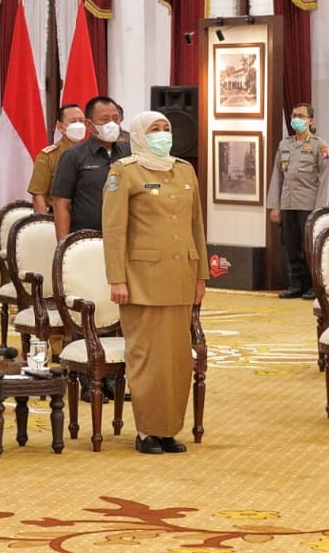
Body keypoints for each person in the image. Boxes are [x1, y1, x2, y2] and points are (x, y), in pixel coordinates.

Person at [102, 111, 208, 455]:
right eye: (154, 130)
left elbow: (196, 227)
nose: (162, 135)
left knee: (177, 360)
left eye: (166, 129)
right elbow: (114, 231)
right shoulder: (125, 171)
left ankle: (168, 429)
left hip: (181, 277)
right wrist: (117, 278)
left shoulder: (184, 170)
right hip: (142, 280)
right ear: (139, 136)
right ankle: (147, 430)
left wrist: (200, 275)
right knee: (147, 357)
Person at [266, 102, 329, 299]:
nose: (297, 119)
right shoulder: (285, 145)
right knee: (291, 245)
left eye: (301, 116)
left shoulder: (319, 145)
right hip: (288, 203)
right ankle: (295, 284)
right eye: (294, 115)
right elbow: (277, 176)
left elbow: (324, 179)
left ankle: (313, 286)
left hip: (308, 204)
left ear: (310, 120)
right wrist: (275, 206)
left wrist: (319, 209)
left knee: (308, 246)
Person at [51, 95, 129, 240]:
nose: (112, 124)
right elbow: (61, 204)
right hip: (86, 240)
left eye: (116, 119)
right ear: (88, 124)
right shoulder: (73, 156)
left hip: (124, 237)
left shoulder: (129, 152)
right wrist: (64, 245)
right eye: (105, 119)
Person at [27, 103, 86, 213]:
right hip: (58, 216)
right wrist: (44, 221)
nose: (78, 125)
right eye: (73, 121)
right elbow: (38, 196)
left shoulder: (94, 153)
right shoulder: (49, 156)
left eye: (81, 121)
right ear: (60, 126)